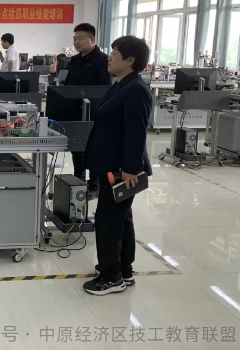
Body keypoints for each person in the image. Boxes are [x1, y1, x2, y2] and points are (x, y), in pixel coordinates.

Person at [82, 35, 152, 296]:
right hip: (112, 163)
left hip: (122, 169)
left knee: (108, 220)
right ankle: (123, 268)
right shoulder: (122, 84)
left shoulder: (135, 89)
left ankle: (110, 277)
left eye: (114, 54)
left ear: (130, 60)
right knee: (122, 217)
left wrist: (130, 169)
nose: (109, 57)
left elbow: (137, 133)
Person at [64, 23, 111, 199]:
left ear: (92, 39)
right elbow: (68, 86)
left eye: (80, 38)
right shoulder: (75, 60)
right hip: (75, 111)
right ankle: (78, 181)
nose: (76, 42)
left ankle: (94, 186)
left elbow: (105, 89)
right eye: (74, 38)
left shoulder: (102, 60)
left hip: (94, 113)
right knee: (77, 148)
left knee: (93, 148)